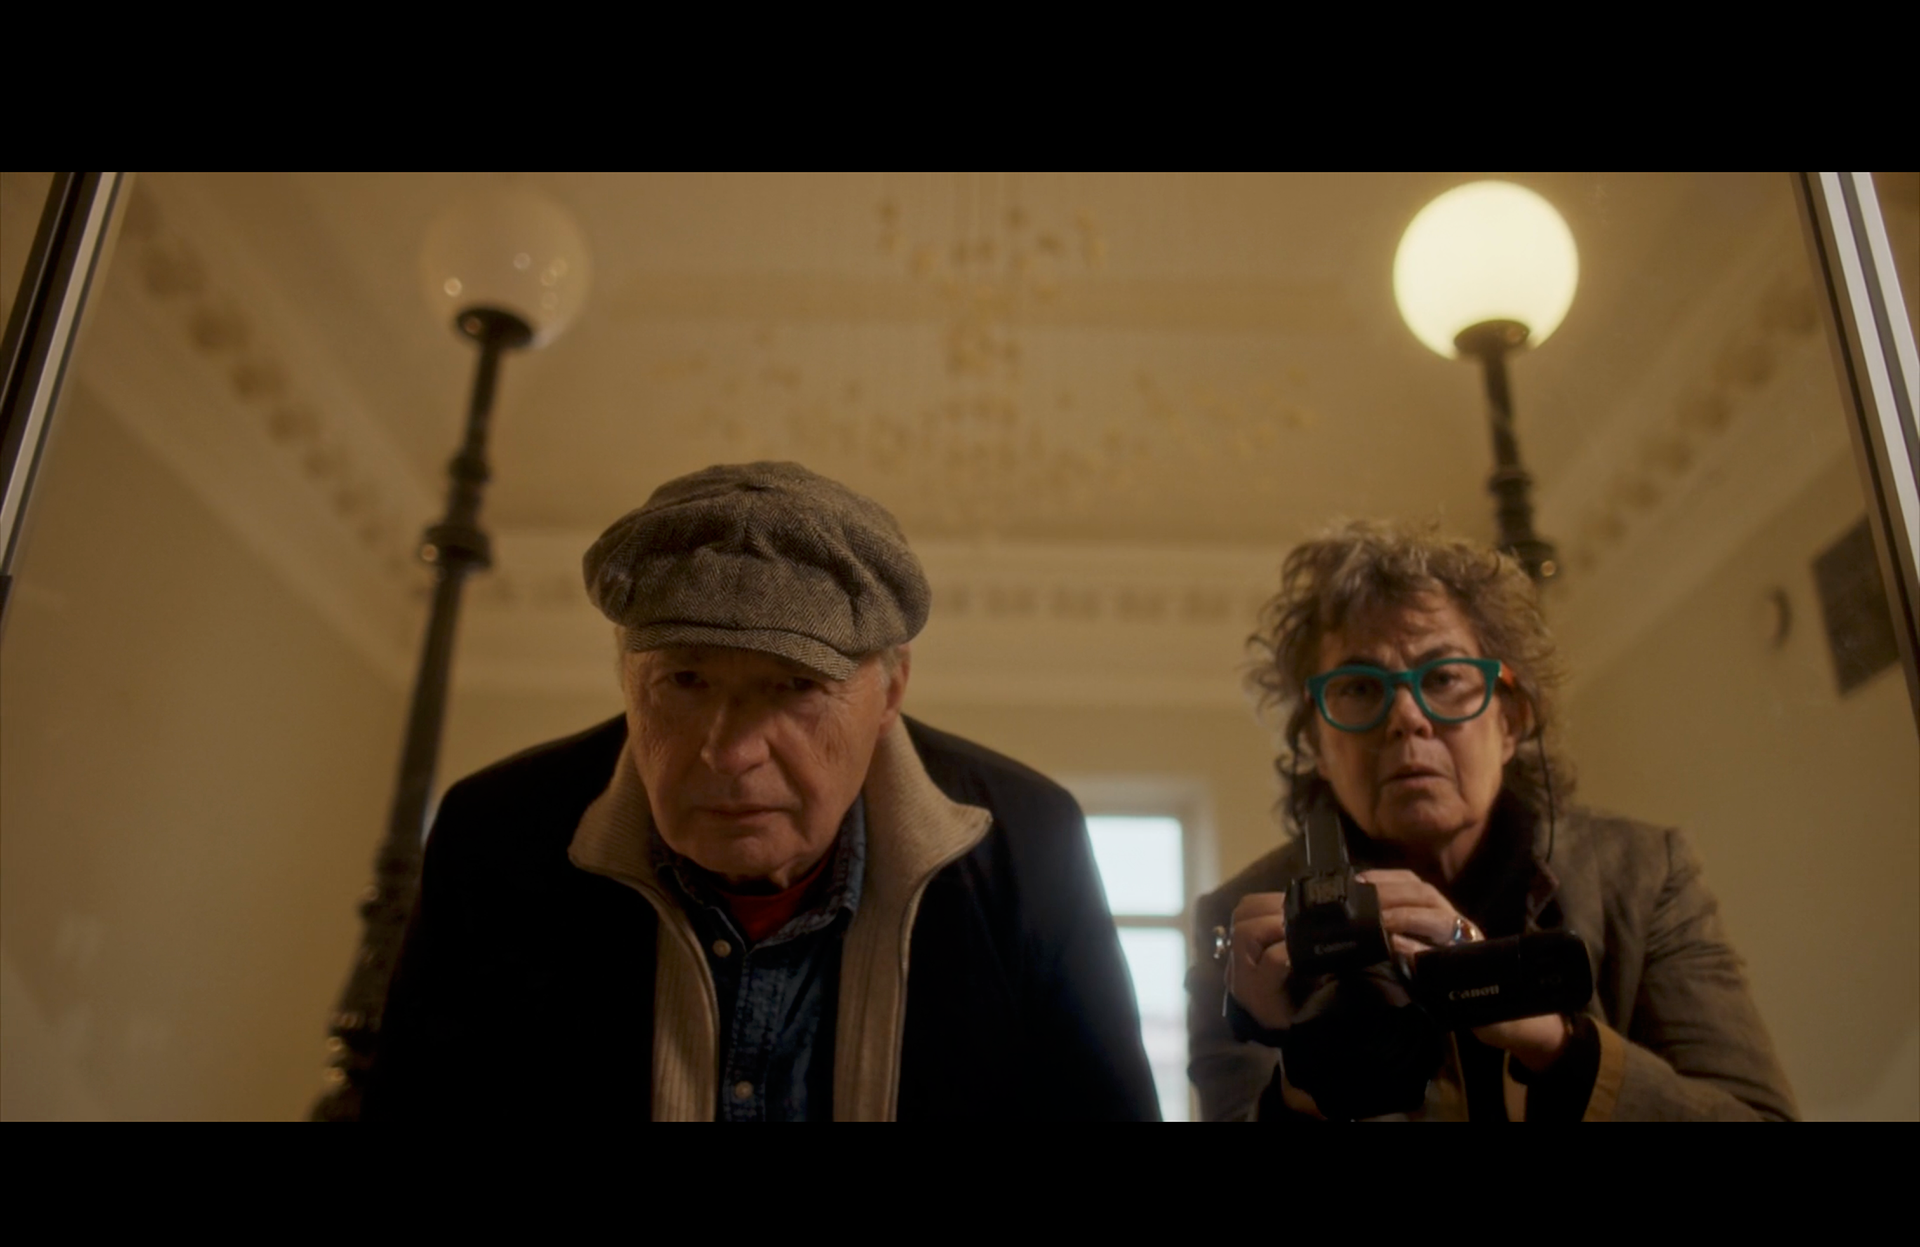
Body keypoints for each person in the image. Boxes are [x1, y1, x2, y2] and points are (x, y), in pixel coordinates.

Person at [365, 462, 1159, 1121]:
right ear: (626, 678)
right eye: (685, 680)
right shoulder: (494, 839)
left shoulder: (1026, 845)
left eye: (794, 686)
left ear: (890, 691)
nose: (731, 750)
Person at [1188, 522, 1798, 1121]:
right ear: (1317, 746)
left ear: (1510, 722)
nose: (1406, 717)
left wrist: (1556, 1043)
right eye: (1359, 688)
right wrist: (1301, 1077)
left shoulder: (1642, 877)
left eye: (1444, 677)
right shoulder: (1245, 927)